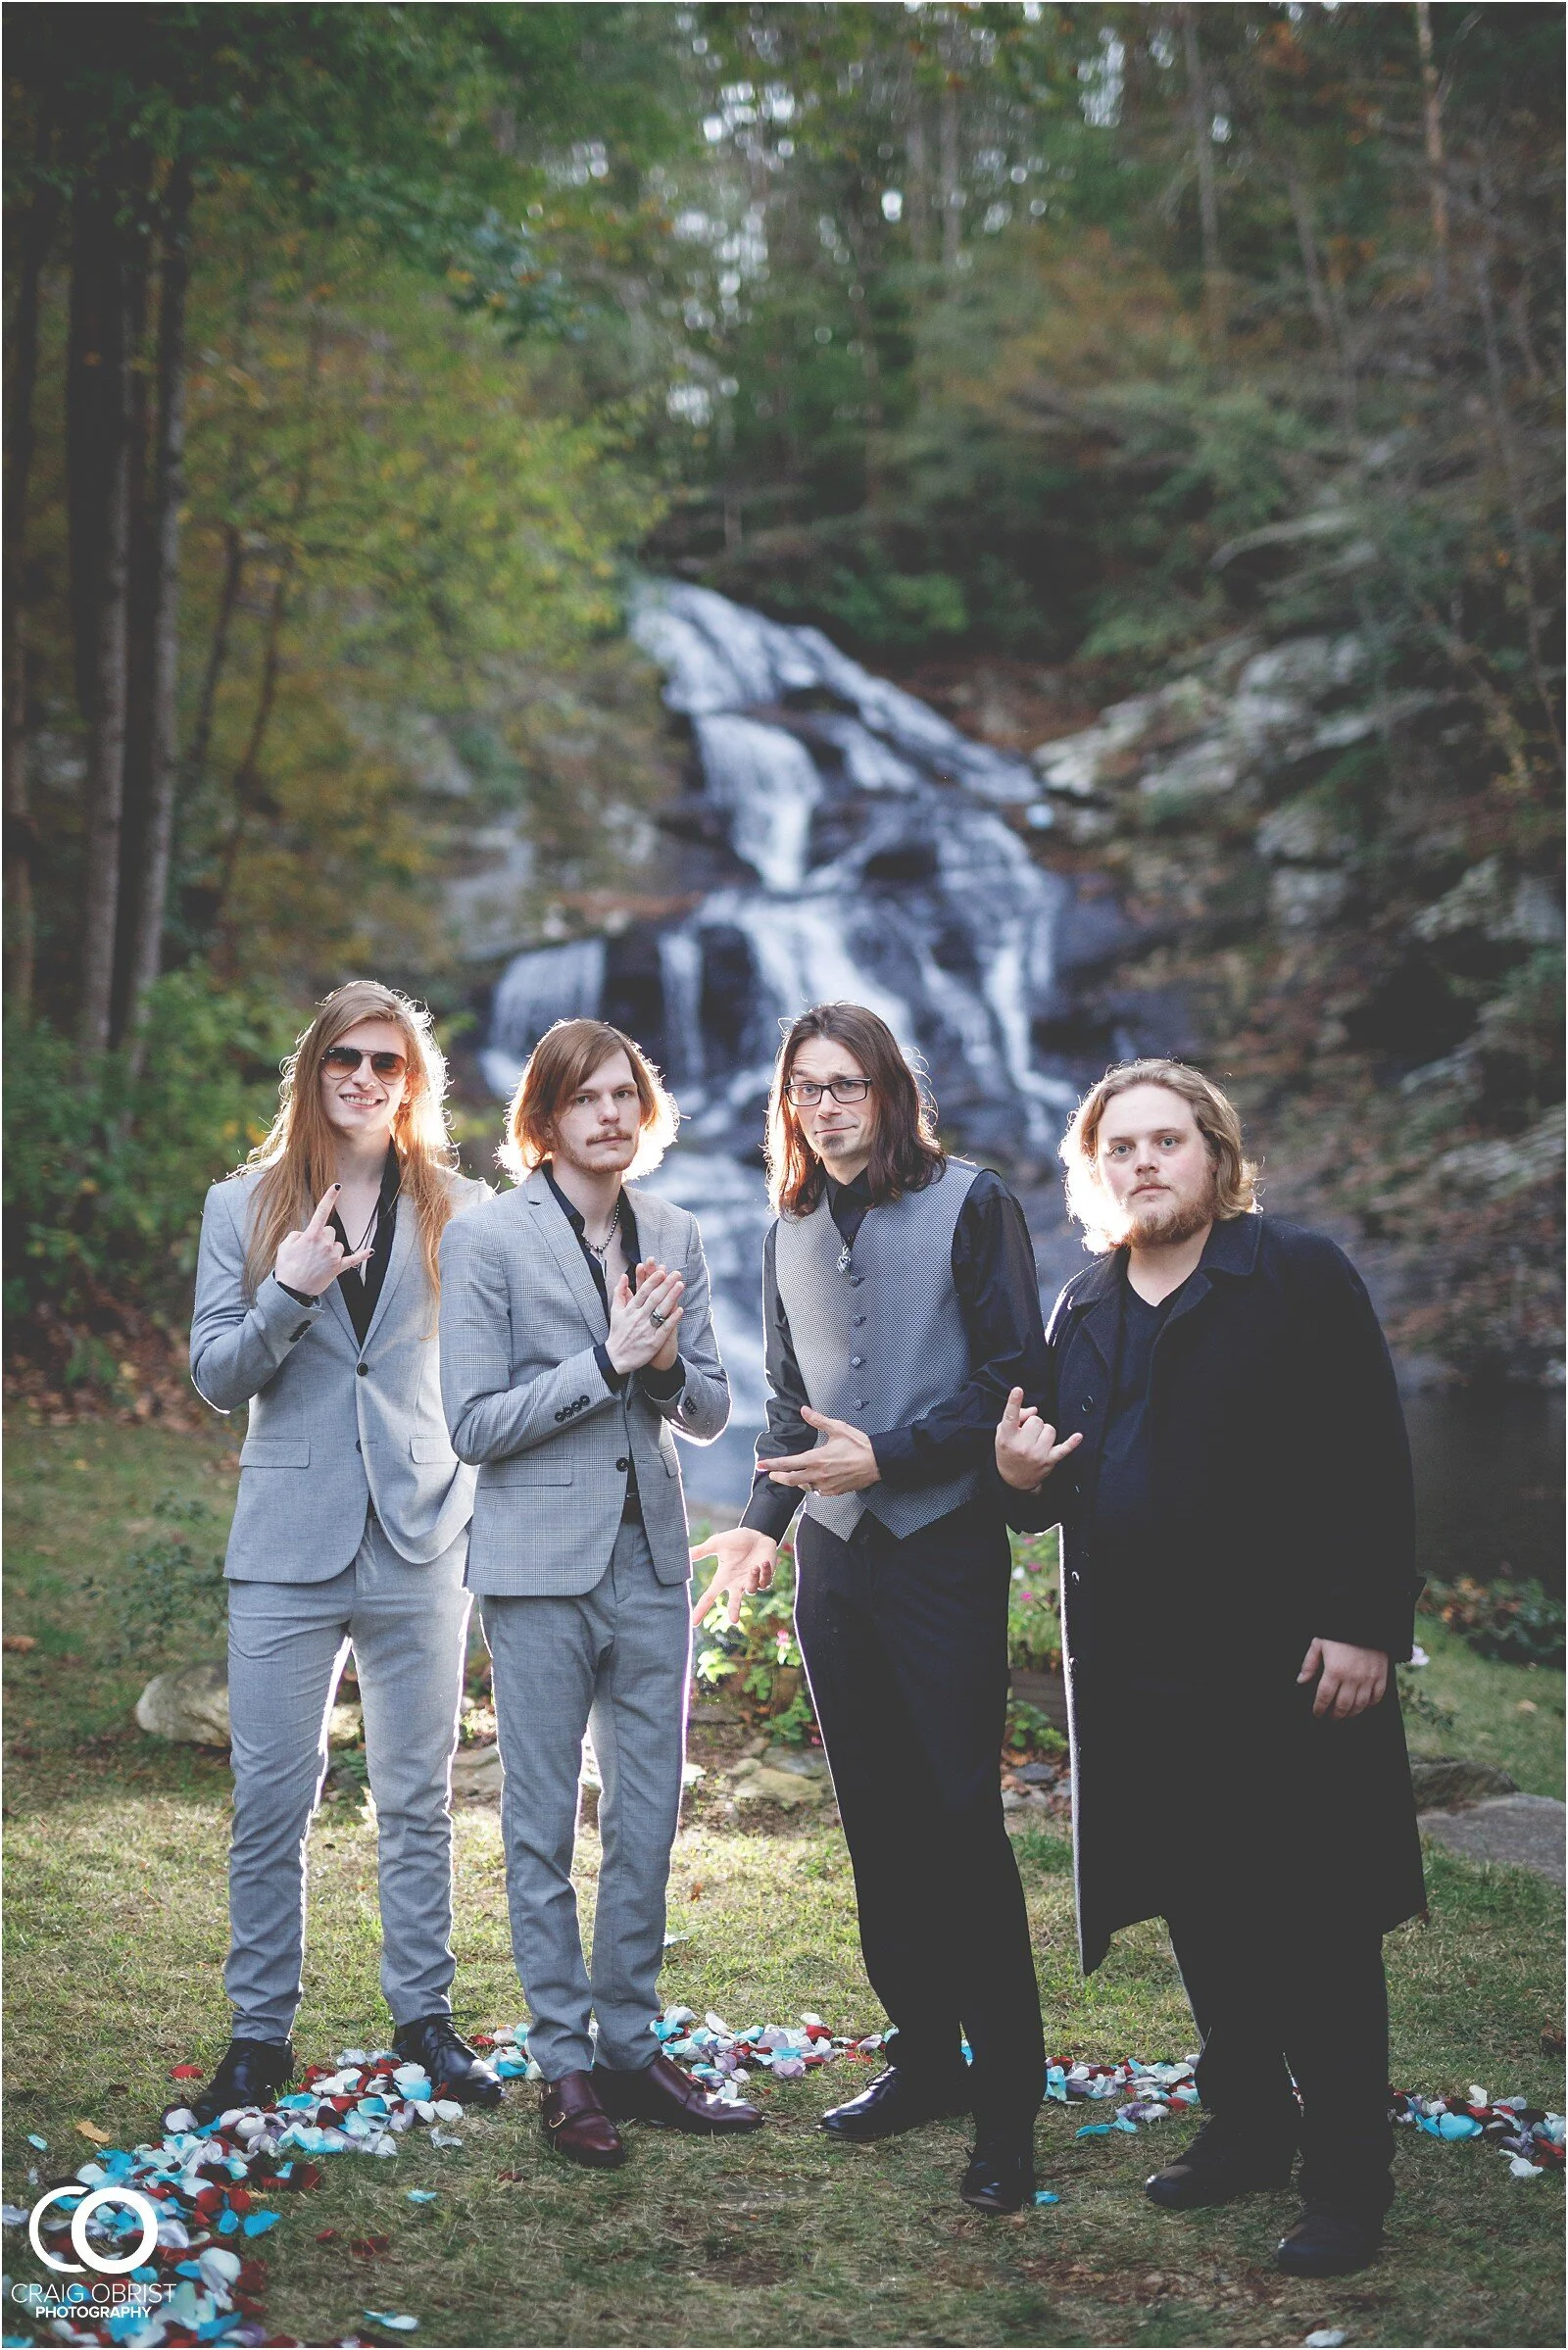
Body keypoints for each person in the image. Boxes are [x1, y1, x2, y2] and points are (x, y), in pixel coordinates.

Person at [994, 1058, 1424, 2278]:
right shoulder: (1084, 1304)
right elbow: (1054, 1483)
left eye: (1166, 1140)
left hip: (1282, 1664)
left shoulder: (1292, 1271)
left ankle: (1348, 2180)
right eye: (1119, 1145)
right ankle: (1247, 2127)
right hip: (1140, 1675)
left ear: (1214, 1158)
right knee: (1203, 1910)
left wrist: (1362, 1622)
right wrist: (1017, 1481)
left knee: (1316, 1920)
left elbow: (1368, 1453)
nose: (1143, 1161)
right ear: (1094, 1172)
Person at [693, 1002, 1052, 2214]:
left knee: (959, 1822)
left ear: (889, 1092)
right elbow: (789, 1406)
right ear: (786, 1105)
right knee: (879, 1822)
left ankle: (1007, 2105)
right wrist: (758, 1519)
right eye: (807, 1089)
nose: (827, 1106)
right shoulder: (786, 1222)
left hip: (942, 1548)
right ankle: (924, 2057)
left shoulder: (975, 1201)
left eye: (847, 1085)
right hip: (833, 1566)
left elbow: (1017, 1380)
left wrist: (889, 1458)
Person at [439, 1016, 763, 2168]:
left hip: (651, 1565)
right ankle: (562, 2063)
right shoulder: (486, 1240)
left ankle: (628, 2045)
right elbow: (472, 1424)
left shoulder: (674, 1227)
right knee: (539, 1824)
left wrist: (666, 1361)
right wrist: (607, 1363)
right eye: (586, 1098)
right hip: (532, 1570)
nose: (611, 1115)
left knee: (647, 1815)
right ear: (546, 1116)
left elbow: (719, 1408)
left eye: (626, 1094)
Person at [186, 981, 500, 2123]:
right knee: (273, 1793)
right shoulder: (244, 1206)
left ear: (412, 1081)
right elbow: (217, 1377)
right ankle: (259, 2034)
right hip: (285, 1541)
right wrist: (286, 1292)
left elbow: (492, 1370)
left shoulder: (460, 1207)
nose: (365, 1078)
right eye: (344, 1060)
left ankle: (424, 2016)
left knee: (415, 1795)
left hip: (424, 1534)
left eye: (387, 1062)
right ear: (314, 1072)